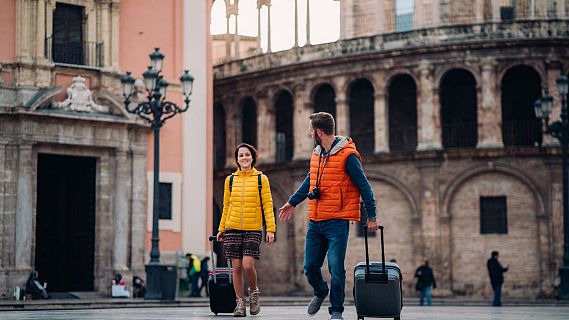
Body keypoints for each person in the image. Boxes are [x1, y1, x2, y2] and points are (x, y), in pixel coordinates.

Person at [278, 112, 378, 320]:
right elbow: (309, 181)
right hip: (315, 221)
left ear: (318, 131)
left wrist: (371, 216)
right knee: (310, 267)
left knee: (336, 269)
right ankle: (321, 291)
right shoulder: (317, 153)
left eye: (310, 129)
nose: (308, 133)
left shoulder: (348, 155)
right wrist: (292, 202)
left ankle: (336, 311)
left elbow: (364, 185)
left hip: (337, 222)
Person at [216, 143, 276, 317]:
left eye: (247, 155)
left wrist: (270, 229)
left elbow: (267, 204)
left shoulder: (261, 179)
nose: (244, 158)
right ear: (237, 159)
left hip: (253, 228)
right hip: (232, 228)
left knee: (247, 265)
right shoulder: (230, 180)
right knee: (236, 268)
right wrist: (221, 228)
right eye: (241, 155)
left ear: (252, 157)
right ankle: (240, 304)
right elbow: (226, 206)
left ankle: (254, 293)